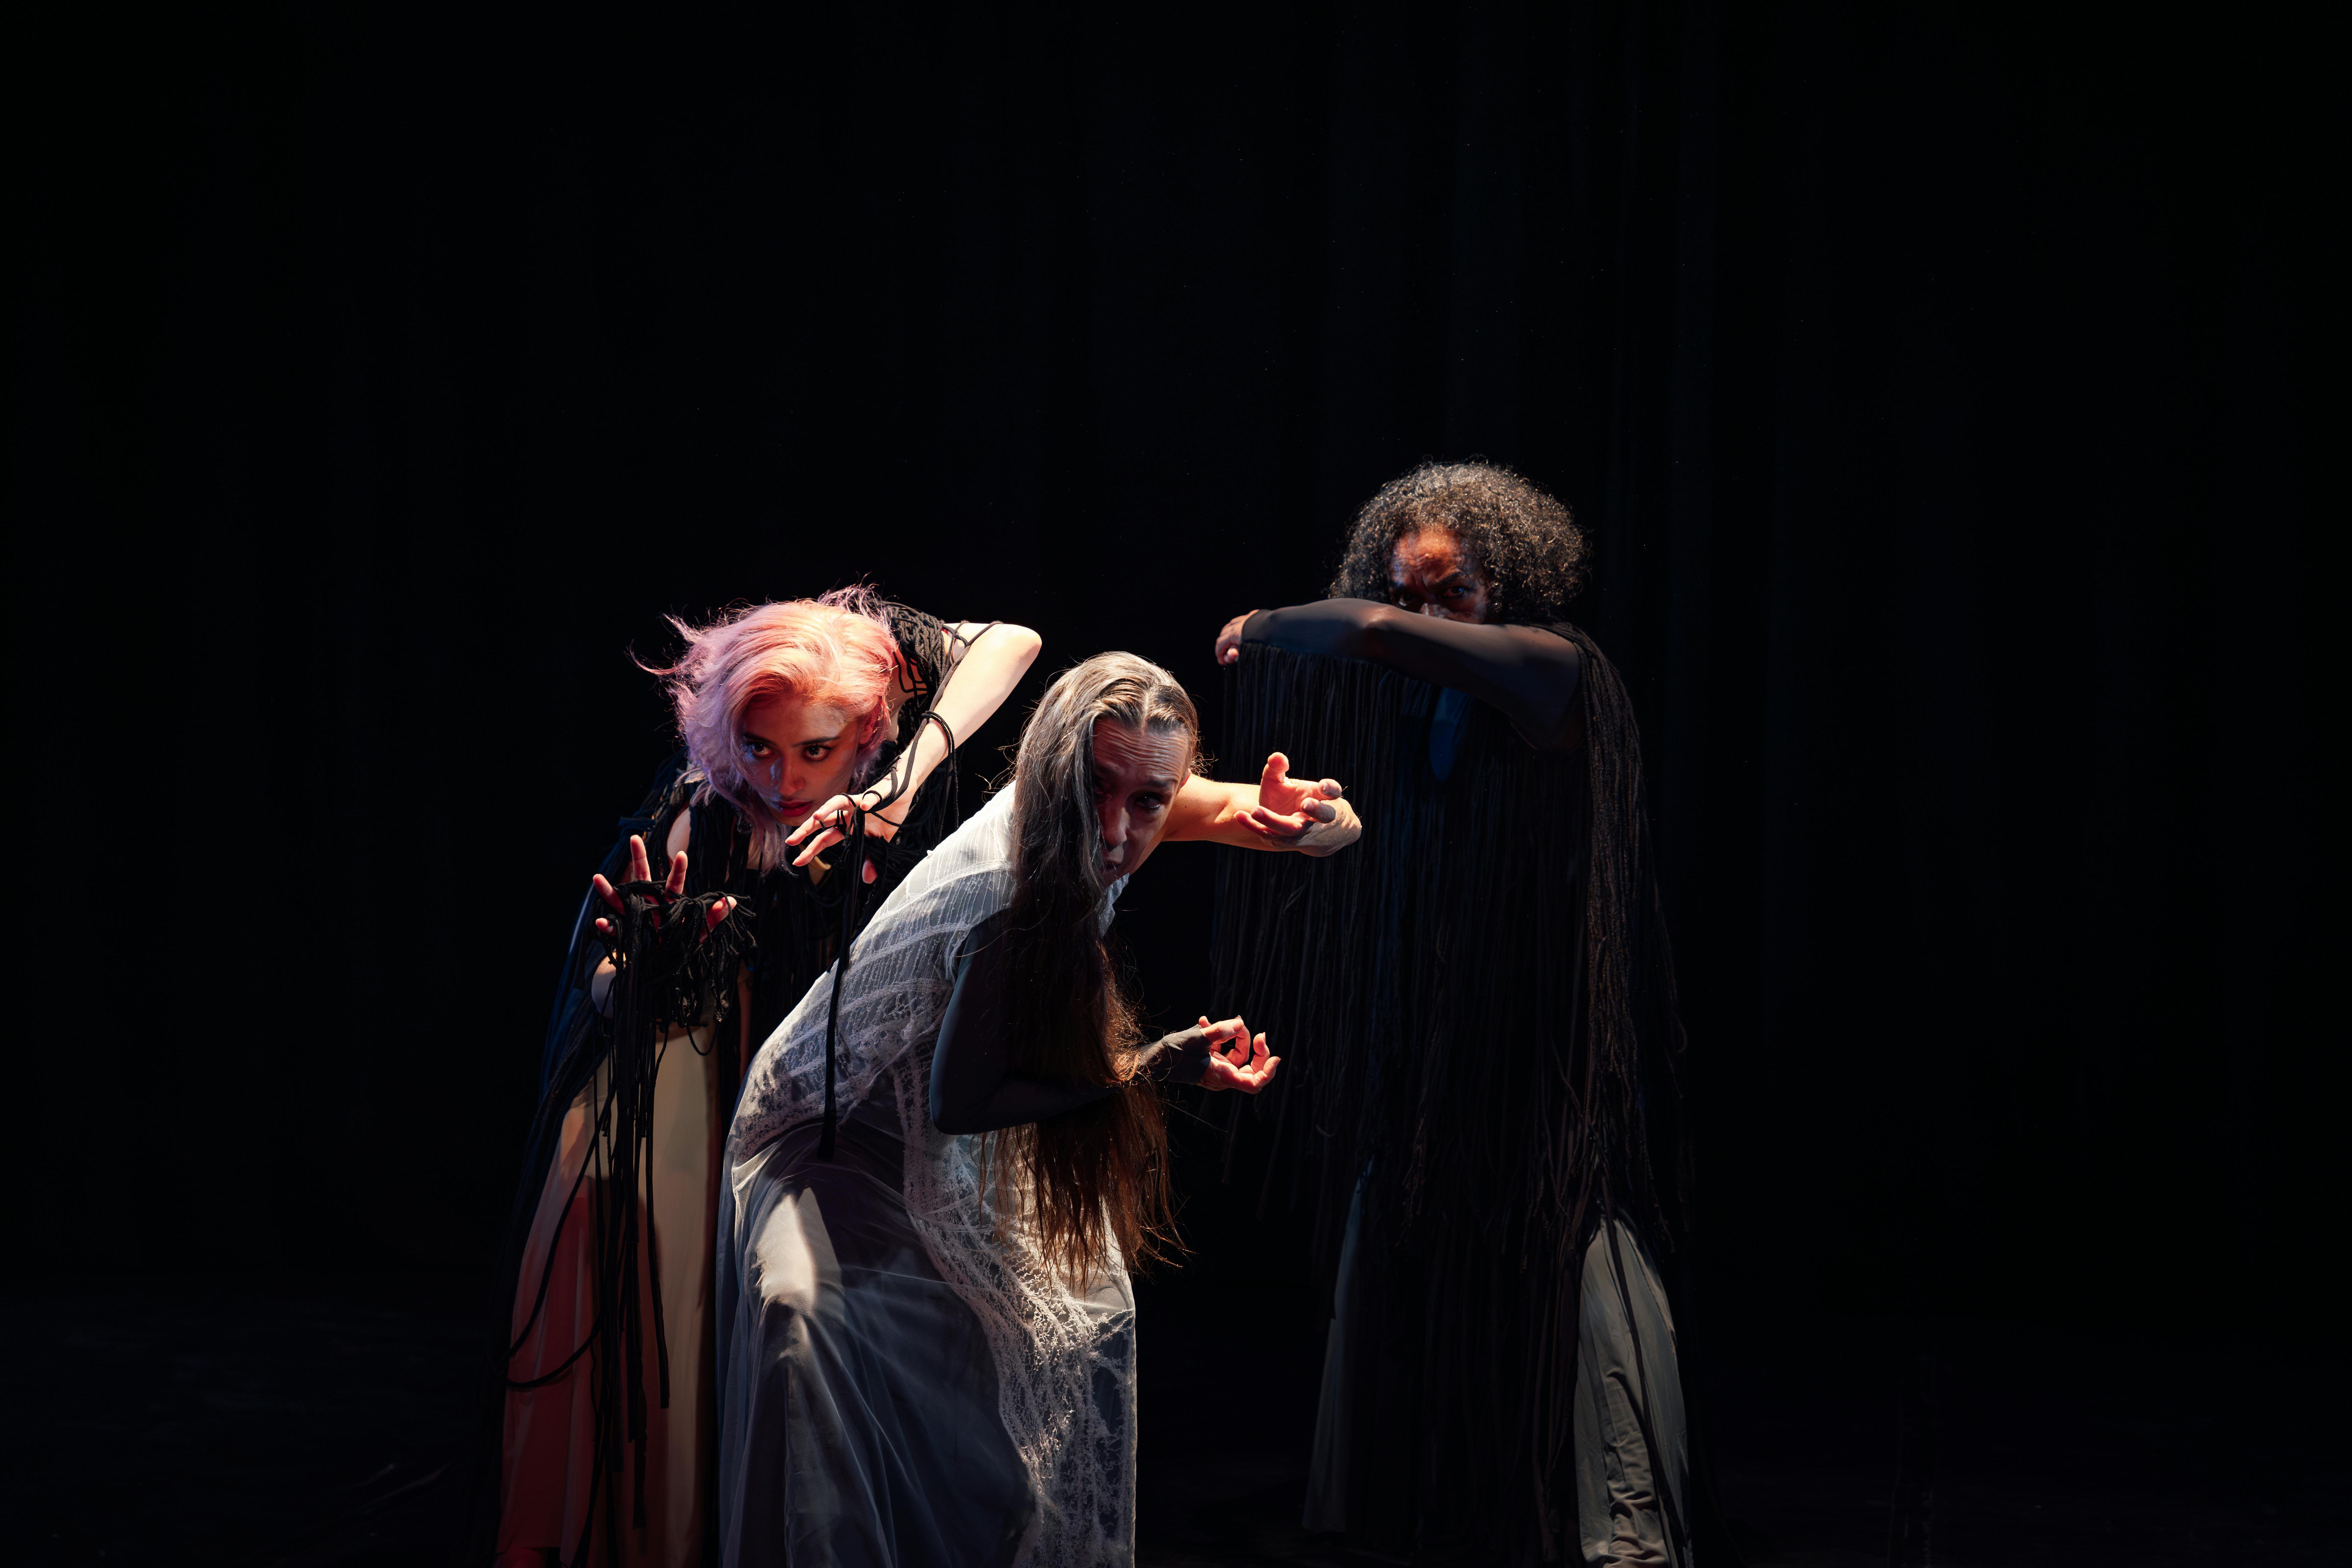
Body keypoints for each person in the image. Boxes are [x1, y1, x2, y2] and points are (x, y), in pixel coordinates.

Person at [714, 651, 1361, 1566]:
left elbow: (1329, 829)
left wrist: (1316, 815)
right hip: (838, 1132)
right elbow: (965, 1100)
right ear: (1059, 772)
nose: (1117, 829)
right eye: (1097, 790)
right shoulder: (1008, 898)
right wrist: (1148, 1067)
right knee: (835, 1353)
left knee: (1081, 1321)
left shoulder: (1131, 800)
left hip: (931, 1113)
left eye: (1148, 802)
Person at [1209, 461, 1711, 1565]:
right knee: (1412, 1204)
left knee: (1560, 1227)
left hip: (1539, 1033)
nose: (1428, 613)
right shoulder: (1418, 697)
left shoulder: (1557, 669)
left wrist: (1272, 623)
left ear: (1512, 590)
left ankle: (1615, 1525)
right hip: (1436, 1017)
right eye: (1410, 589)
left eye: (1456, 592)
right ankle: (1417, 1494)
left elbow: (1375, 637)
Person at [488, 589, 1041, 1568]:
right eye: (759, 748)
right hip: (697, 1088)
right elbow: (611, 984)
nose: (785, 779)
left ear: (870, 729)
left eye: (817, 751)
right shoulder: (695, 811)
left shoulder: (891, 723)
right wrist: (645, 975)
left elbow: (1012, 640)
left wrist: (901, 786)